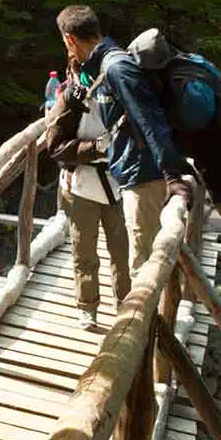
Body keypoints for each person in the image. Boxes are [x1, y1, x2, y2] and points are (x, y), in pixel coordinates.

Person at [56, 5, 189, 280]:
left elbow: (150, 121)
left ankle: (147, 324)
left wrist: (172, 175)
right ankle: (150, 321)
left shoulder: (117, 68)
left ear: (70, 39)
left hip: (144, 178)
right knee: (145, 262)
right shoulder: (107, 65)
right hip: (135, 176)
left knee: (143, 271)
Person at [40, 69, 128, 331]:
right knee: (84, 251)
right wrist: (94, 148)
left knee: (122, 252)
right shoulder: (71, 99)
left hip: (118, 183)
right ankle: (87, 306)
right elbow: (55, 146)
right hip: (82, 185)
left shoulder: (122, 93)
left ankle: (126, 306)